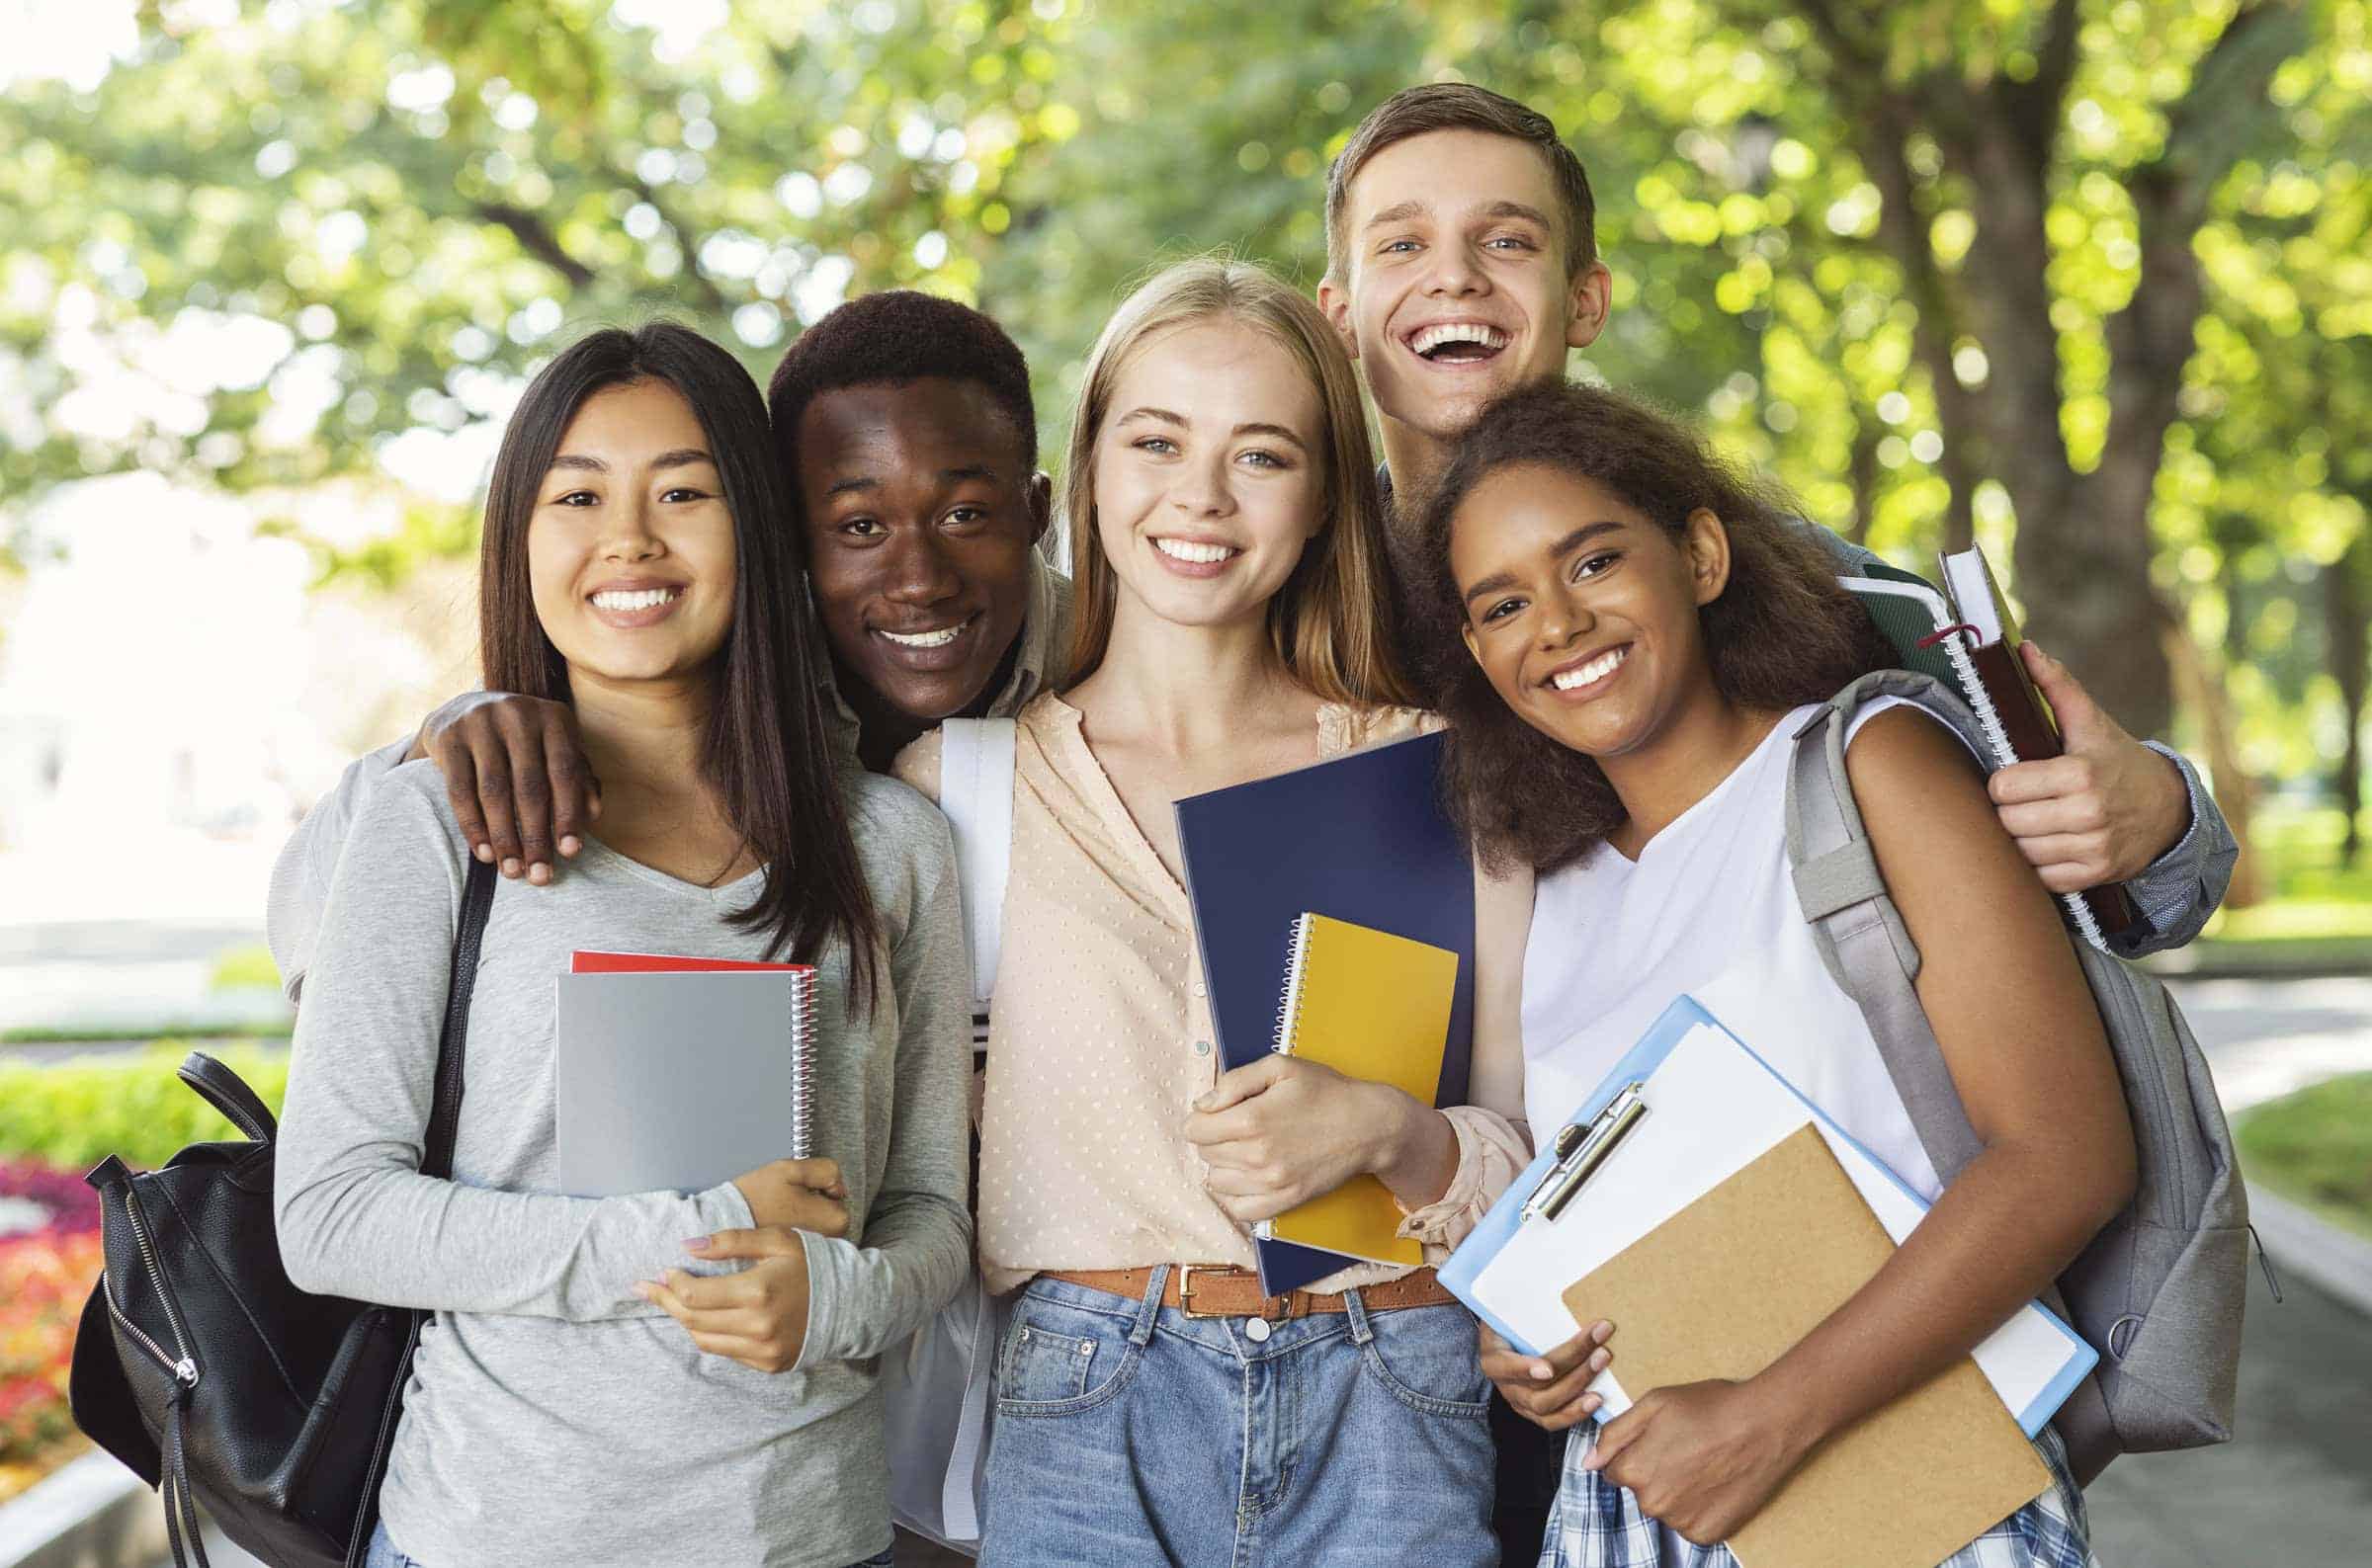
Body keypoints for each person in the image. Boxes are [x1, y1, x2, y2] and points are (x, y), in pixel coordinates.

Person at [1312, 82, 2233, 1559]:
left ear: (1586, 294)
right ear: (1343, 307)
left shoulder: (1841, 614)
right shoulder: (1280, 611)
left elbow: (2087, 886)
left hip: (1851, 1415)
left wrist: (2169, 811)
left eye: (1507, 240)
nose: (1457, 279)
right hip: (1430, 1388)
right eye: (1405, 244)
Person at [271, 323, 972, 1568]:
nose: (631, 539)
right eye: (578, 494)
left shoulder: (893, 844)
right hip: (494, 1532)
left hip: (809, 1535)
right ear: (521, 538)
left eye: (685, 493)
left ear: (755, 528)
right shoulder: (435, 818)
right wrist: (692, 1230)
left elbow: (928, 1212)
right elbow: (331, 1216)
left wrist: (836, 1297)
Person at [1423, 378, 2132, 1568]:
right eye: (1503, 603)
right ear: (1477, 649)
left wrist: (1769, 1418)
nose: (1555, 623)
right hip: (1636, 1509)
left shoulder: (1867, 762)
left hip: (1906, 1491)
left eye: (1594, 563)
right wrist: (1537, 1345)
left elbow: (2067, 1158)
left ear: (1700, 553)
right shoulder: (1550, 884)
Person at [890, 257, 1534, 1566]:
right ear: (1090, 473)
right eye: (1157, 440)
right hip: (1086, 1398)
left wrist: (1391, 1133)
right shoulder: (962, 787)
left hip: (1393, 1390)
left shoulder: (1433, 771)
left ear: (1321, 501)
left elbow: (1545, 1149)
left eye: (1261, 454)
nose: (1200, 494)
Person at [262, 292, 1069, 1000]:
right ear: (784, 534)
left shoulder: (1116, 663)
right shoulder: (703, 683)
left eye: (964, 515)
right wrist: (437, 740)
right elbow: (309, 936)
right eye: (858, 527)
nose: (920, 580)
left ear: (1035, 512)